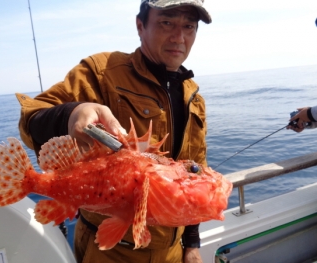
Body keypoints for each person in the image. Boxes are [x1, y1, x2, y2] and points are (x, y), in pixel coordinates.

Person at [16, 0, 212, 262]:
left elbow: (195, 170)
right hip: (110, 251)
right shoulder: (101, 72)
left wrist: (192, 244)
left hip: (172, 252)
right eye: (167, 22)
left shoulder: (194, 98)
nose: (179, 37)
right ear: (140, 25)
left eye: (189, 26)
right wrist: (72, 113)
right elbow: (32, 116)